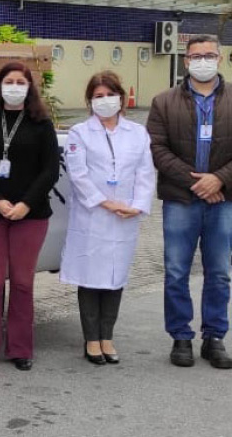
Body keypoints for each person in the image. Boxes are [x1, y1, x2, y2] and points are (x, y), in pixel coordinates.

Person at [0, 62, 59, 371]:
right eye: (10, 81)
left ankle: (20, 348)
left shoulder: (42, 124)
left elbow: (50, 170)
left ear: (30, 87)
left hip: (31, 215)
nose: (15, 86)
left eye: (21, 81)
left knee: (22, 281)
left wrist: (25, 204)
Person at [147, 34, 232, 369]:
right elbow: (156, 148)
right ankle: (180, 336)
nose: (203, 61)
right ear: (185, 61)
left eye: (209, 55)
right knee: (176, 270)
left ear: (220, 59)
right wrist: (195, 182)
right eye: (196, 56)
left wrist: (219, 179)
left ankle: (214, 337)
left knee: (220, 272)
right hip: (180, 199)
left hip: (224, 199)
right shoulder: (163, 101)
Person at [60, 71, 155, 365]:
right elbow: (78, 175)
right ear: (89, 101)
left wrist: (137, 205)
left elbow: (145, 172)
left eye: (109, 95)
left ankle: (107, 336)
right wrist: (105, 202)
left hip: (125, 216)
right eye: (98, 96)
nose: (105, 101)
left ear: (121, 98)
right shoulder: (79, 133)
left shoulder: (137, 133)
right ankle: (91, 339)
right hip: (93, 216)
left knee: (116, 277)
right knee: (90, 277)